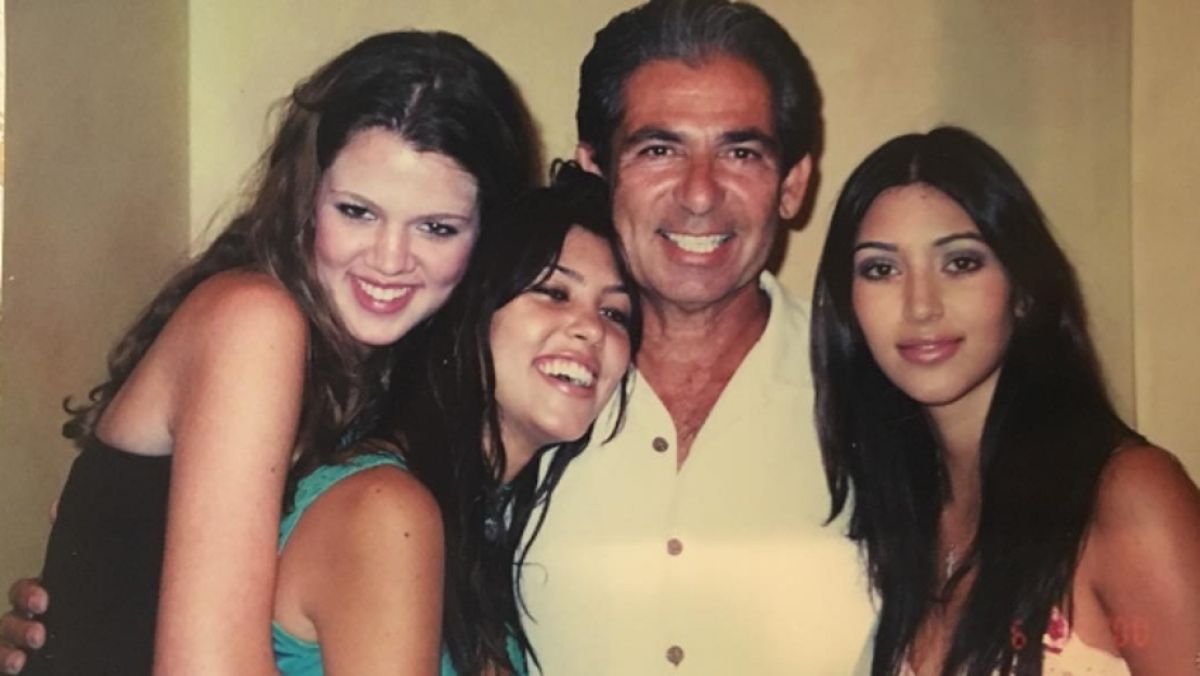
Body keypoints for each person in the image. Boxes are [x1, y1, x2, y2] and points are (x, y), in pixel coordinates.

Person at [1, 30, 537, 676]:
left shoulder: (377, 383)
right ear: (306, 196)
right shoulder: (254, 320)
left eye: (437, 228)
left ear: (487, 240)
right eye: (357, 212)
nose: (390, 260)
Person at [519, 0, 876, 673]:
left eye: (740, 152)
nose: (701, 194)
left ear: (792, 184)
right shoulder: (516, 386)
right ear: (596, 171)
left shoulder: (877, 391)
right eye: (659, 150)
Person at [811, 126, 1200, 675]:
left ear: (1023, 290)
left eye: (960, 263)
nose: (921, 306)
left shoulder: (1127, 497)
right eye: (881, 269)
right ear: (850, 309)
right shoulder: (902, 519)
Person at [270, 161, 641, 674]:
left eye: (615, 313)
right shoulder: (386, 511)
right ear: (471, 310)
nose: (591, 330)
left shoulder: (468, 524)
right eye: (554, 293)